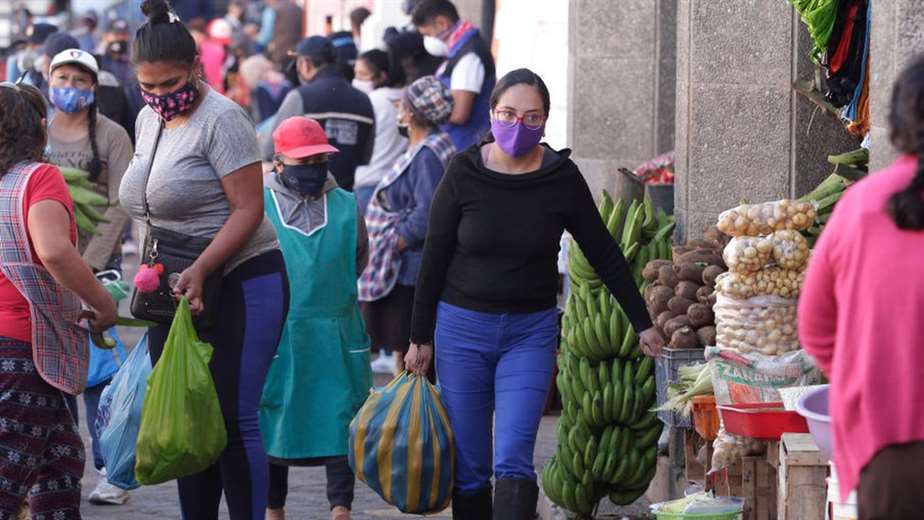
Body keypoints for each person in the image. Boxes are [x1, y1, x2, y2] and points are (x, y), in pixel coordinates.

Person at [404, 69, 664, 520]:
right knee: (469, 466)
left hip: (529, 333)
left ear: (544, 122)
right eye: (507, 114)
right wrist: (419, 337)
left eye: (531, 117)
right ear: (491, 114)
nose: (518, 125)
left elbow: (603, 252)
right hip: (461, 330)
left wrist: (642, 322)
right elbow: (434, 258)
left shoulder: (560, 177)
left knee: (513, 460)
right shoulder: (462, 172)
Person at [118, 1, 287, 518]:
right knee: (186, 416)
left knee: (233, 420)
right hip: (173, 287)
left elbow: (248, 209)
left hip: (240, 281)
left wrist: (204, 268)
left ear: (195, 67)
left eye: (171, 85)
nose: (162, 98)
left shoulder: (223, 119)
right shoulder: (149, 121)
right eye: (150, 88)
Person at [799, 54, 924, 520]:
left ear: (898, 126)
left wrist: (865, 379)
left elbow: (815, 328)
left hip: (887, 452)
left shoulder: (861, 205)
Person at [0, 81, 118, 519]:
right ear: (35, 129)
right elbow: (52, 250)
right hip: (20, 352)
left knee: (61, 461)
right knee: (8, 480)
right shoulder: (38, 177)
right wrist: (102, 302)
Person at [261, 117, 371, 520]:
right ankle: (274, 508)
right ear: (278, 162)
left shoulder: (345, 204)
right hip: (278, 333)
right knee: (274, 417)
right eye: (302, 160)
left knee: (341, 417)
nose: (312, 168)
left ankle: (340, 507)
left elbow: (358, 254)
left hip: (337, 331)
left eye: (319, 159)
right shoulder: (259, 203)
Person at [43, 48, 135, 506]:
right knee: (51, 373)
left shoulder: (113, 135)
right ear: (48, 76)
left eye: (81, 80)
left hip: (96, 273)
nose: (71, 87)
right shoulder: (34, 131)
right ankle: (58, 470)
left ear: (94, 86)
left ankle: (111, 469)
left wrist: (91, 265)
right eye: (63, 77)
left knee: (101, 376)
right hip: (40, 272)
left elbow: (122, 203)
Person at [358, 75, 456, 377]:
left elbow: (427, 212)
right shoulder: (431, 145)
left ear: (412, 113)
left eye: (404, 104)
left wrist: (397, 240)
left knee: (413, 353)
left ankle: (412, 416)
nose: (399, 108)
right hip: (405, 261)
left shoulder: (427, 155)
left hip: (410, 266)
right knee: (406, 354)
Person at [260, 36, 375, 192]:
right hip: (344, 198)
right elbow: (365, 157)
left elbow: (269, 150)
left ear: (305, 64)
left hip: (302, 200)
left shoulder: (300, 96)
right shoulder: (364, 100)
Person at [411, 0, 496, 151]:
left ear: (442, 23)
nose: (428, 40)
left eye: (428, 34)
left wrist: (422, 116)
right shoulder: (459, 50)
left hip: (463, 145)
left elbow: (460, 114)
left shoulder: (469, 57)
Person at [352, 49, 408, 214]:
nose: (357, 81)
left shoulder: (370, 101)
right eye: (356, 74)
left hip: (368, 182)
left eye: (363, 75)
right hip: (398, 183)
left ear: (382, 76)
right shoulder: (407, 97)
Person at [268, 0, 304, 66]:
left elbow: (267, 35)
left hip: (281, 52)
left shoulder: (273, 10)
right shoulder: (298, 8)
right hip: (296, 50)